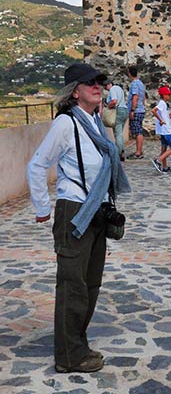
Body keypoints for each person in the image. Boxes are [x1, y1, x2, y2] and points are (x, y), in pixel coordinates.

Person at [26, 62, 131, 374]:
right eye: (90, 83)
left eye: (99, 82)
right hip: (75, 212)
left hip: (96, 211)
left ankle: (77, 344)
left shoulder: (95, 121)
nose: (97, 87)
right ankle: (69, 357)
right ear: (75, 92)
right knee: (73, 286)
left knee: (90, 285)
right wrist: (42, 208)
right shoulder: (66, 125)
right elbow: (36, 165)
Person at [153, 85, 171, 173]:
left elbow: (169, 116)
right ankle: (158, 160)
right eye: (168, 94)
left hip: (163, 130)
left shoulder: (164, 104)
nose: (169, 96)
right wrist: (160, 120)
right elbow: (153, 110)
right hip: (167, 130)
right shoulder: (162, 103)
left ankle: (165, 167)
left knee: (164, 149)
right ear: (163, 95)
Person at [126, 66, 146, 160]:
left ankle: (138, 152)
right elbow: (143, 98)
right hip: (141, 110)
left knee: (137, 132)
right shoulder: (141, 84)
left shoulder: (134, 84)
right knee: (139, 130)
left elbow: (135, 97)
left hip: (136, 110)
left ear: (129, 73)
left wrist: (133, 110)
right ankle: (139, 150)